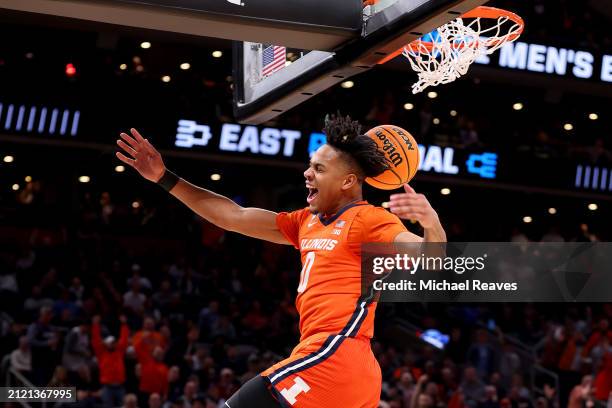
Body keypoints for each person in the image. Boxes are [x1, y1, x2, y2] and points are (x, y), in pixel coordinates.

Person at [115, 115, 446, 408]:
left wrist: (431, 224)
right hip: (342, 368)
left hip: (335, 353)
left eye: (319, 168)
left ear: (347, 181)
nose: (307, 174)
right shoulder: (306, 221)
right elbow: (233, 215)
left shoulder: (369, 220)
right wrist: (164, 177)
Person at [91, 315, 130, 407]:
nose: (112, 344)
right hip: (107, 387)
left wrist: (124, 324)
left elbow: (124, 339)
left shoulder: (119, 351)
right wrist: (95, 325)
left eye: (113, 343)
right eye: (110, 343)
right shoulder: (101, 353)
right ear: (106, 344)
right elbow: (95, 340)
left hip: (120, 386)